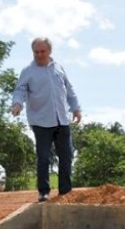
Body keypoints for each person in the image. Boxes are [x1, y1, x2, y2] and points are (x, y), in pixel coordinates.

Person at [11, 37, 82, 202]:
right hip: (40, 120)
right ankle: (43, 192)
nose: (39, 55)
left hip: (61, 119)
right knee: (43, 157)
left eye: (42, 51)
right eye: (36, 52)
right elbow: (20, 90)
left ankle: (65, 191)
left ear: (49, 51)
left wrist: (76, 108)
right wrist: (17, 104)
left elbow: (69, 90)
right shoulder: (28, 71)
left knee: (66, 156)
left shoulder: (58, 68)